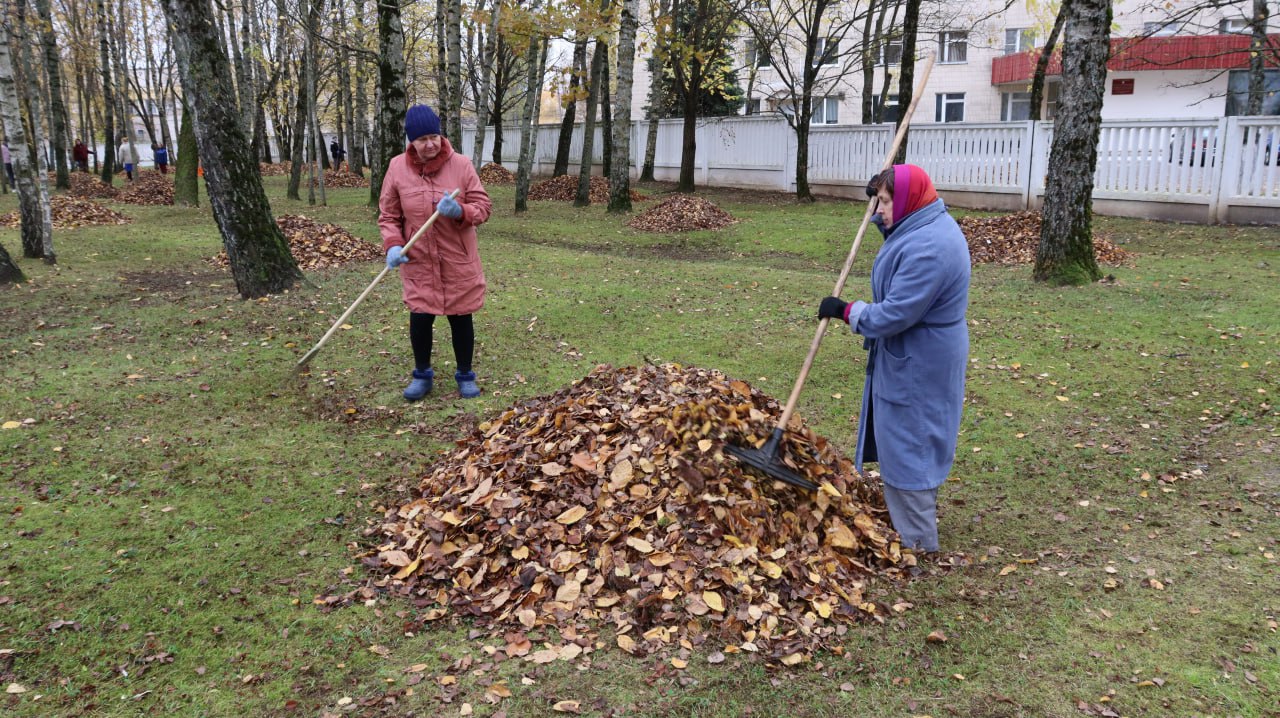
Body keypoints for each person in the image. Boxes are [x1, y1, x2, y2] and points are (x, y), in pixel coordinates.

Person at [817, 164, 970, 556]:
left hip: (921, 360)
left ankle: (917, 544)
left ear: (906, 200)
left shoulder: (930, 246)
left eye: (885, 202)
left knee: (912, 442)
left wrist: (847, 310)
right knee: (905, 434)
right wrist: (888, 225)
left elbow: (896, 313)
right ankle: (910, 526)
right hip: (916, 352)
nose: (877, 211)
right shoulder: (922, 225)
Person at [379, 104, 492, 401]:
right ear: (411, 142)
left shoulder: (462, 166)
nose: (430, 144)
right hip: (419, 261)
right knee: (420, 318)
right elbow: (389, 215)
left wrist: (460, 211)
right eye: (422, 139)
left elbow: (483, 208)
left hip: (457, 258)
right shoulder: (396, 168)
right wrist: (392, 244)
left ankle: (465, 374)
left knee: (460, 317)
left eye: (434, 137)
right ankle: (422, 375)